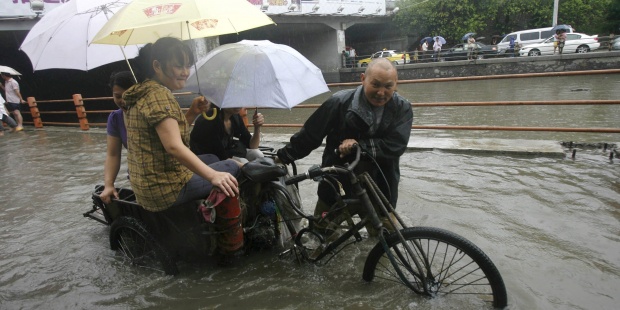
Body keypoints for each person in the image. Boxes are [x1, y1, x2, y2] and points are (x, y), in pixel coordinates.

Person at [276, 58, 413, 229]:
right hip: (338, 179)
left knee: (386, 238)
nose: (381, 92)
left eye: (388, 86)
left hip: (380, 183)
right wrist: (282, 157)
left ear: (396, 84)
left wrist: (359, 146)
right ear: (363, 79)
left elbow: (396, 145)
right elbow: (311, 135)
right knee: (320, 233)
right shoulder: (338, 102)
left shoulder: (402, 107)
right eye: (375, 85)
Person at [121, 37, 239, 213]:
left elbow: (166, 135)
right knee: (232, 166)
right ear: (157, 66)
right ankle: (223, 223)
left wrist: (192, 113)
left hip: (148, 185)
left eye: (187, 66)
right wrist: (213, 176)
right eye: (178, 66)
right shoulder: (159, 95)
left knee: (212, 158)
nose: (185, 72)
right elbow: (174, 147)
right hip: (165, 189)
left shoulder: (141, 93)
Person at [190, 106, 265, 163]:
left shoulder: (235, 117)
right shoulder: (209, 120)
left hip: (230, 152)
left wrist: (257, 127)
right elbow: (221, 156)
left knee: (258, 154)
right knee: (243, 162)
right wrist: (249, 167)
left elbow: (253, 146)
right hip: (210, 158)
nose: (238, 105)